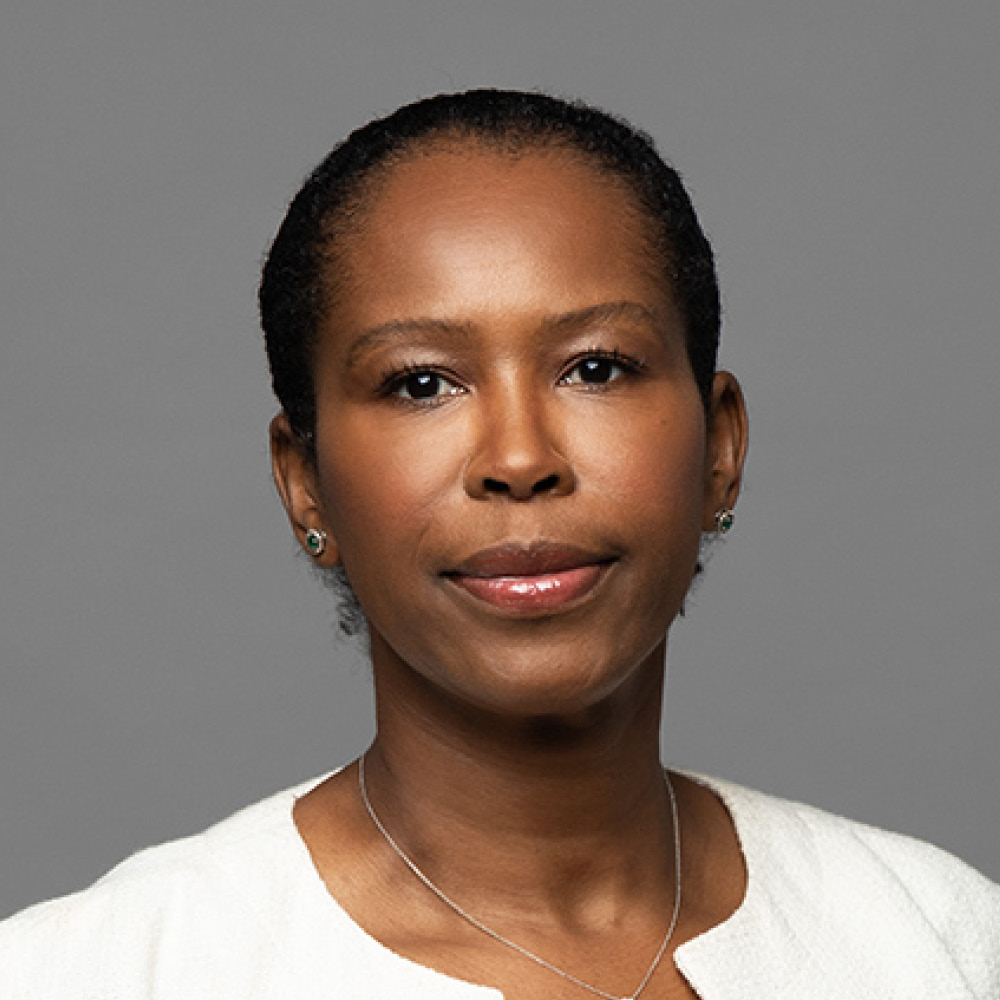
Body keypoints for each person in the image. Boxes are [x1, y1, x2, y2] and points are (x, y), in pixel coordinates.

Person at [1, 88, 997, 1000]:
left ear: (721, 447)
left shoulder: (938, 937)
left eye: (596, 367)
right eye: (420, 382)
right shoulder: (101, 971)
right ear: (305, 479)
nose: (519, 458)